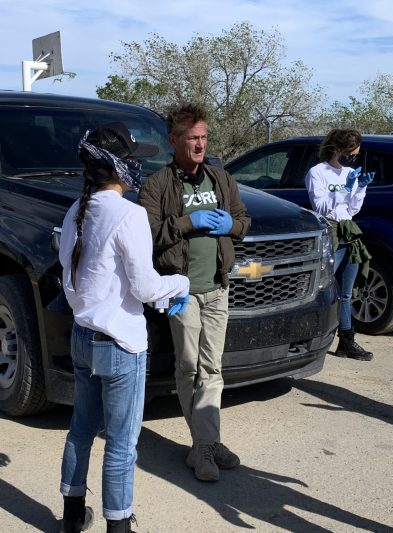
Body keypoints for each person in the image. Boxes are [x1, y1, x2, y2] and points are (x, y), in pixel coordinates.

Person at [58, 122, 189, 533]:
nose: (136, 165)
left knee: (81, 430)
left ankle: (72, 517)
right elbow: (147, 287)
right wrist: (180, 283)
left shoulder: (76, 210)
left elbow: (71, 278)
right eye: (132, 158)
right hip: (120, 345)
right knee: (120, 444)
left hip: (83, 337)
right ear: (116, 165)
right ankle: (119, 526)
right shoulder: (129, 215)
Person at [138, 103, 251, 481]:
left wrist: (231, 225)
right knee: (188, 368)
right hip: (180, 290)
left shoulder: (220, 179)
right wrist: (189, 222)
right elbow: (146, 235)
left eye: (203, 137)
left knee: (212, 368)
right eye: (192, 138)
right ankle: (205, 443)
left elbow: (245, 220)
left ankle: (205, 444)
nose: (200, 144)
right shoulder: (157, 185)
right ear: (174, 141)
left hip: (218, 287)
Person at [305, 128, 374, 361]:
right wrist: (344, 189)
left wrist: (360, 187)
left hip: (349, 233)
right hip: (330, 233)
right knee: (322, 289)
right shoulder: (318, 173)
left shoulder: (348, 172)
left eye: (355, 155)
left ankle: (347, 341)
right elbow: (322, 207)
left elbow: (352, 209)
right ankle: (310, 336)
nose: (352, 158)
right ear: (336, 150)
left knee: (346, 293)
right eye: (349, 153)